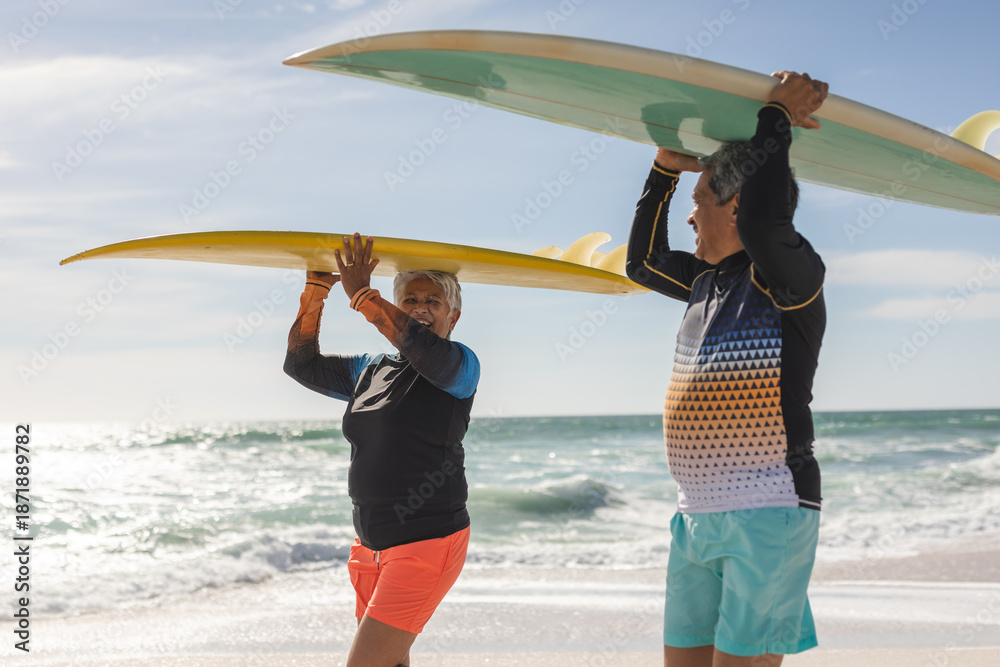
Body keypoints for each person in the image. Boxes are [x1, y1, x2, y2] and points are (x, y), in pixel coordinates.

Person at [625, 72, 829, 667]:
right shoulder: (705, 282)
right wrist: (665, 172)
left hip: (768, 508)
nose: (690, 218)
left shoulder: (788, 280)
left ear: (736, 204)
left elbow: (766, 225)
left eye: (698, 201)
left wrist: (776, 117)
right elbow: (641, 263)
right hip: (695, 514)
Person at [284, 233, 480, 667]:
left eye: (433, 301)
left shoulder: (460, 366)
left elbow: (421, 348)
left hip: (428, 543)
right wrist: (316, 290)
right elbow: (301, 364)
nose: (420, 308)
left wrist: (364, 297)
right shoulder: (370, 370)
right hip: (369, 546)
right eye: (411, 299)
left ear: (453, 316)